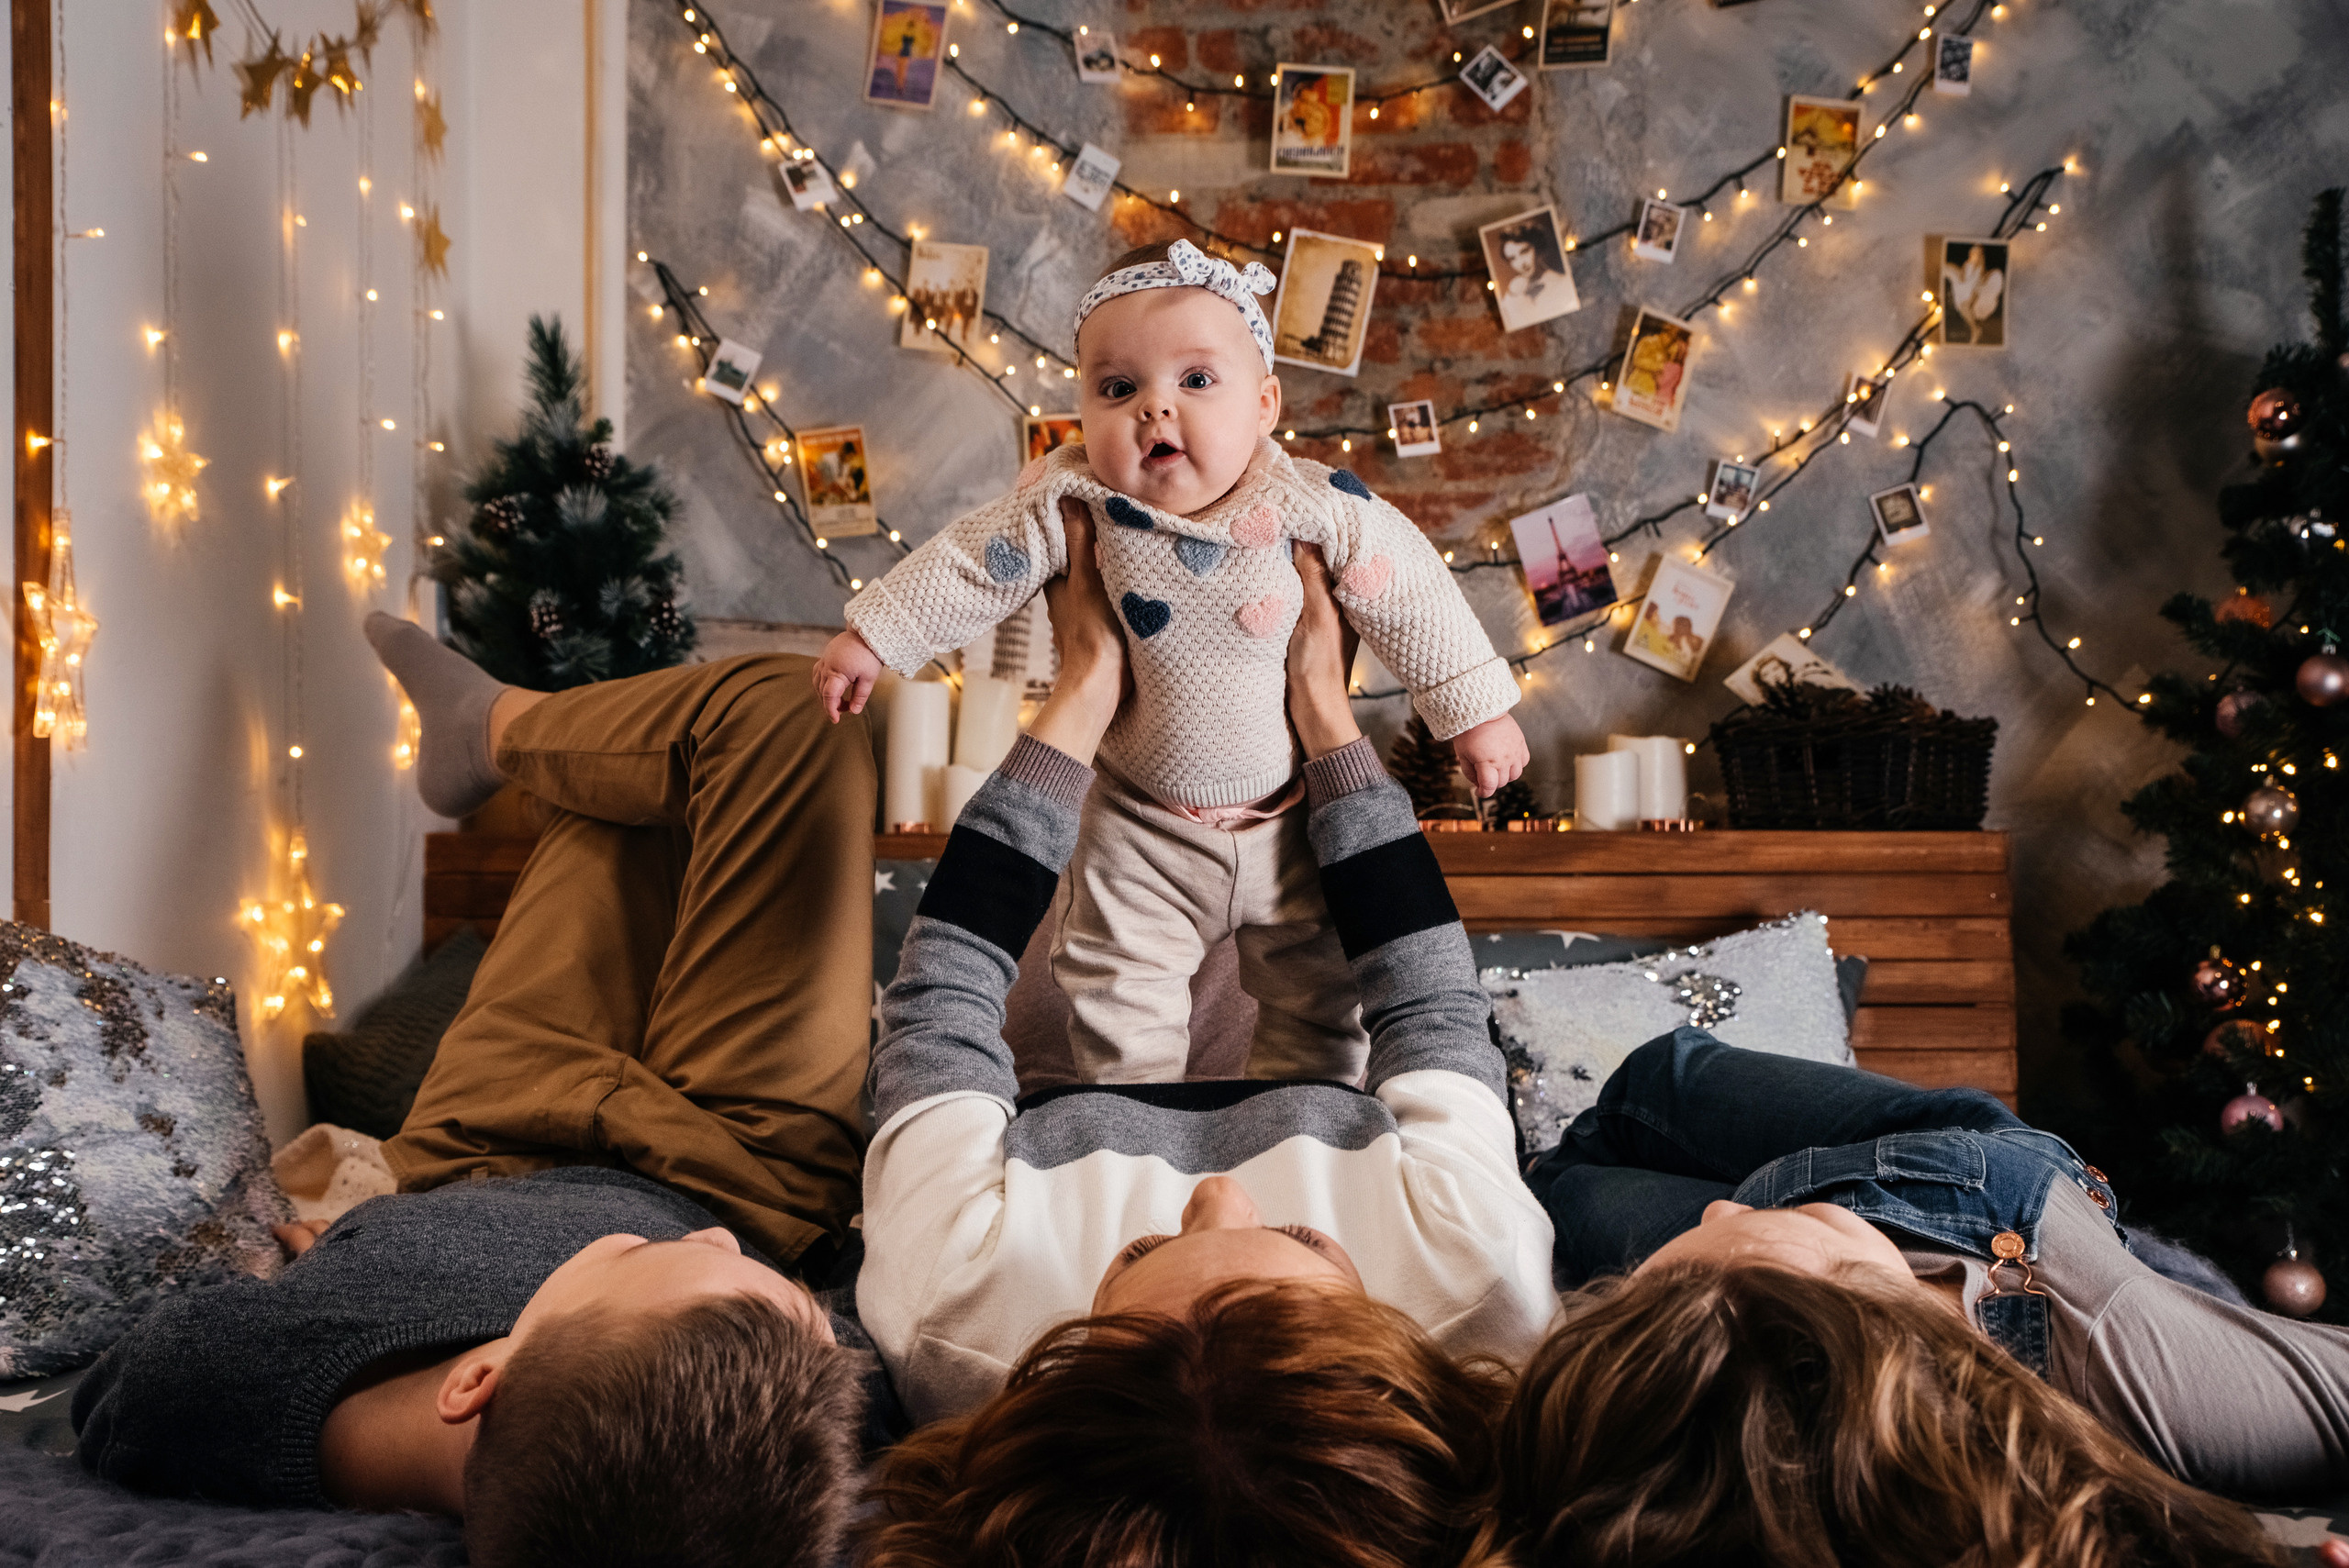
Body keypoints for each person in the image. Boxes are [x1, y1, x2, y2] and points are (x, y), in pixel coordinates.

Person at [72, 621, 896, 1568]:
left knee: (614, 801)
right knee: (796, 711)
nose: (713, 1243)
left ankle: (491, 724)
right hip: (748, 1164)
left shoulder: (235, 1386)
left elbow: (135, 1385)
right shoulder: (774, 1437)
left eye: (656, 1256)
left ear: (477, 1379)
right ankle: (492, 725)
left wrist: (302, 1295)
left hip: (486, 1133)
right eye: (790, 1307)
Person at [852, 504, 1558, 1468]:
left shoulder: (958, 1322)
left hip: (1057, 1058)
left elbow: (939, 1003)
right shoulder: (1480, 1288)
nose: (1219, 1190)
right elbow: (1429, 1006)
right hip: (1322, 1045)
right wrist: (1325, 715)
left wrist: (1081, 694)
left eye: (1143, 1247)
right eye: (1304, 1238)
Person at [812, 239, 1529, 1087]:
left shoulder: (1309, 502)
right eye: (1118, 389)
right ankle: (1135, 1124)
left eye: (1196, 380)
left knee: (1323, 1003)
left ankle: (1309, 1121)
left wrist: (1474, 711)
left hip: (1293, 823)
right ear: (1082, 412)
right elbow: (969, 563)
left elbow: (1410, 588)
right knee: (1118, 996)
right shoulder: (1075, 500)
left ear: (1264, 404)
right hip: (1138, 824)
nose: (1155, 408)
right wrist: (876, 636)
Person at [1497, 1029, 2349, 1562]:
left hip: (1794, 1280)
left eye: (1660, 1285)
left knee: (1569, 1187)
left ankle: (1568, 1179)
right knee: (1648, 1091)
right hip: (1987, 1203)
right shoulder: (2149, 1373)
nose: (1720, 1209)